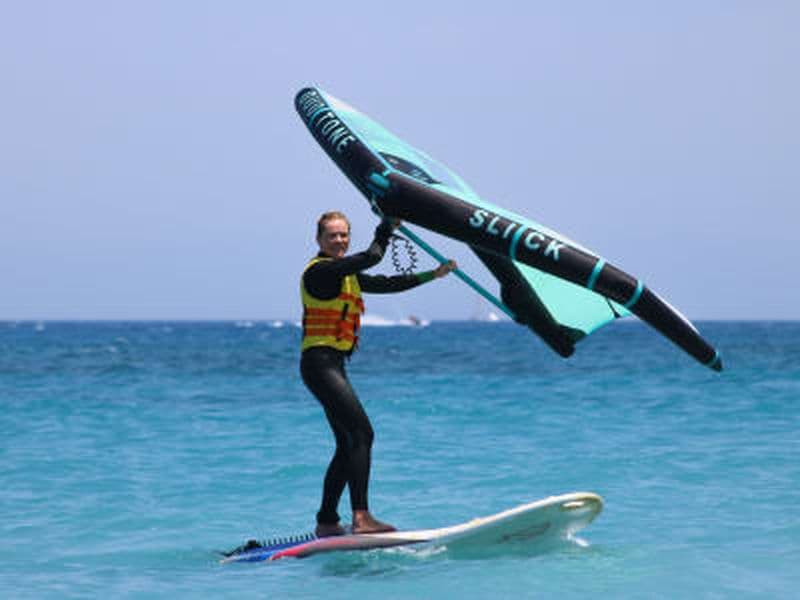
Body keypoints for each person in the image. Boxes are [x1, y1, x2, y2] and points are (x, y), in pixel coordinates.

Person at [300, 211, 456, 537]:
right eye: (333, 235)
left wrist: (434, 275)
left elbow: (386, 284)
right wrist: (385, 229)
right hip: (319, 364)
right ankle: (361, 518)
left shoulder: (346, 276)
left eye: (344, 235)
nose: (339, 240)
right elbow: (372, 257)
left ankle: (327, 521)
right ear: (319, 240)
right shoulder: (322, 272)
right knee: (362, 434)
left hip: (331, 365)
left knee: (347, 442)